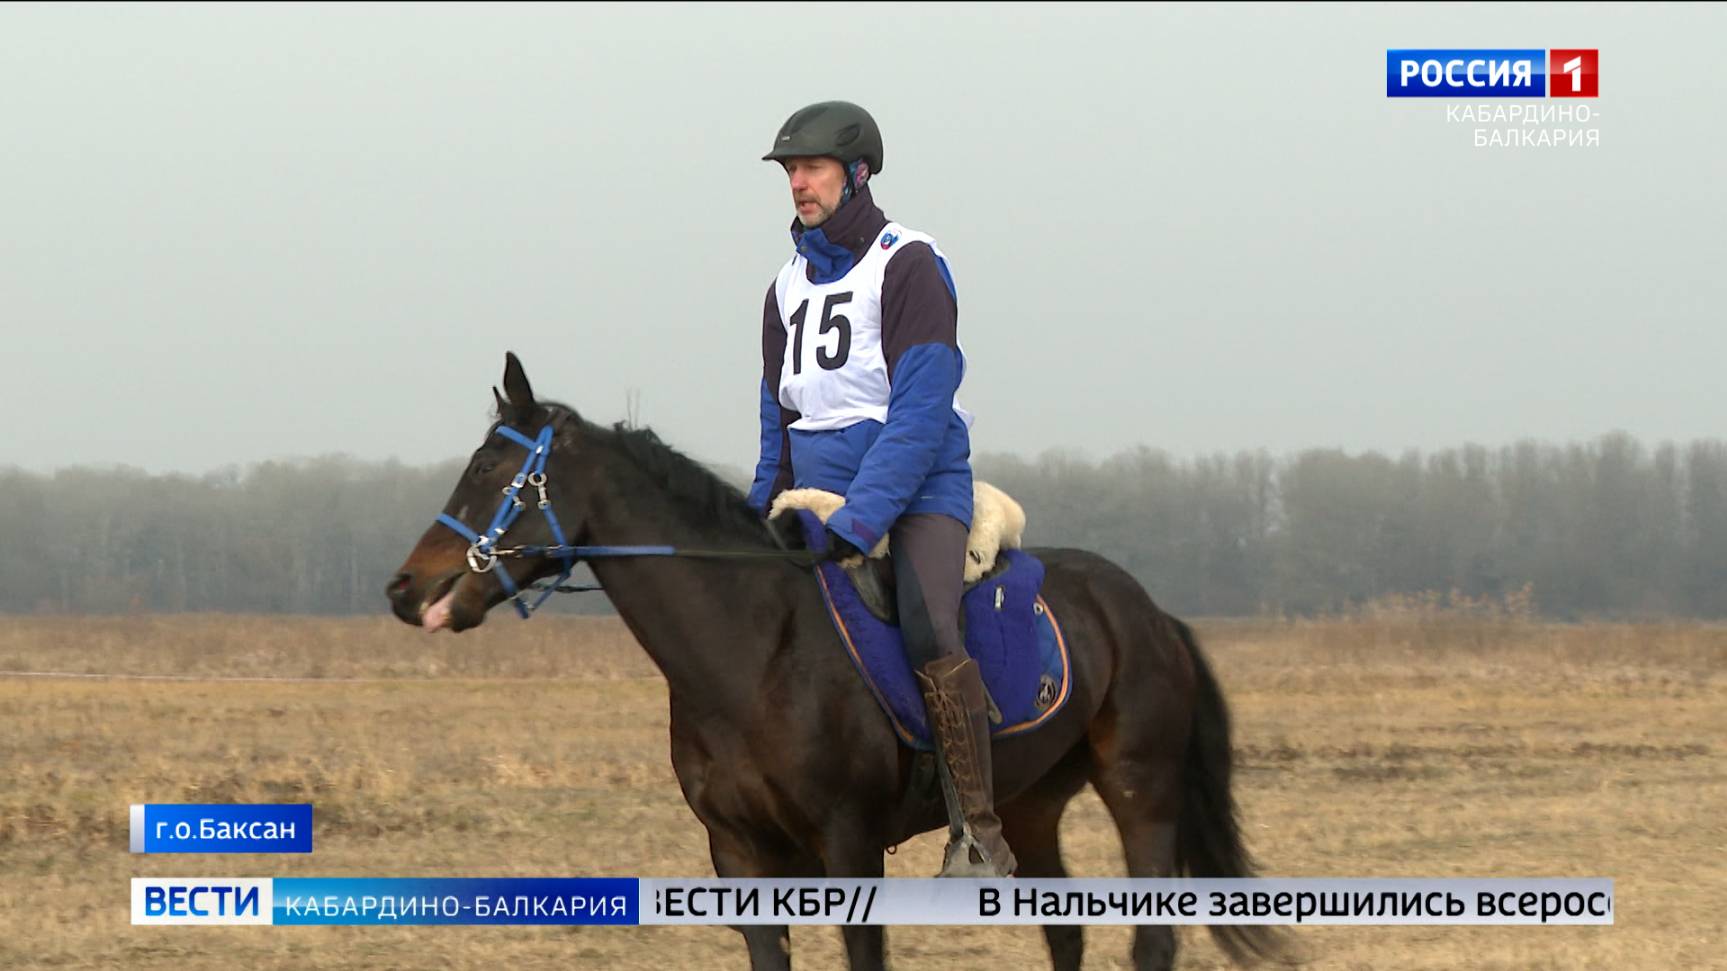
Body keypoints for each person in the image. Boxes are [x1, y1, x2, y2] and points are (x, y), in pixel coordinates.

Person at [746, 100, 1016, 878]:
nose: (799, 183)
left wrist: (864, 518)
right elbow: (778, 411)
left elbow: (923, 407)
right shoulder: (783, 287)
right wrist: (757, 508)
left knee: (929, 623)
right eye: (790, 170)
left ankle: (977, 833)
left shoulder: (908, 263)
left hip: (917, 488)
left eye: (813, 168)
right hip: (814, 497)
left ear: (857, 174)